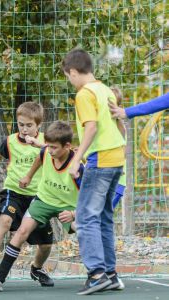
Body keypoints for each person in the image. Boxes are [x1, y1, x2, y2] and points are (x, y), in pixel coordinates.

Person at [0, 121, 83, 292]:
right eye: (48, 147)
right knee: (21, 232)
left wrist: (73, 213)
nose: (49, 151)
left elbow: (90, 198)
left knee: (82, 230)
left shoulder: (78, 168)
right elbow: (40, 156)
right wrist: (28, 176)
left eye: (54, 148)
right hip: (43, 200)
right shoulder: (46, 152)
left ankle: (99, 274)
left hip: (68, 205)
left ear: (67, 146)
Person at [62, 48, 126, 295]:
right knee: (104, 217)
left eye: (69, 76)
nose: (71, 81)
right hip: (116, 157)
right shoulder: (105, 89)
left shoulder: (84, 93)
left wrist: (76, 159)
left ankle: (97, 274)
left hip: (100, 159)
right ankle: (110, 274)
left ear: (75, 72)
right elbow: (118, 126)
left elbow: (91, 128)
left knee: (86, 217)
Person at [0, 102, 54, 287]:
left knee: (45, 245)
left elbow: (57, 154)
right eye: (21, 125)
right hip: (14, 192)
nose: (24, 129)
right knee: (4, 221)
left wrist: (41, 145)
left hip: (38, 197)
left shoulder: (46, 141)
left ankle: (36, 268)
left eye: (29, 125)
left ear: (38, 125)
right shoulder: (11, 141)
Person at [110, 87, 126, 209]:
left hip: (117, 181)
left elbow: (123, 150)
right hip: (103, 179)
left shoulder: (119, 125)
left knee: (102, 216)